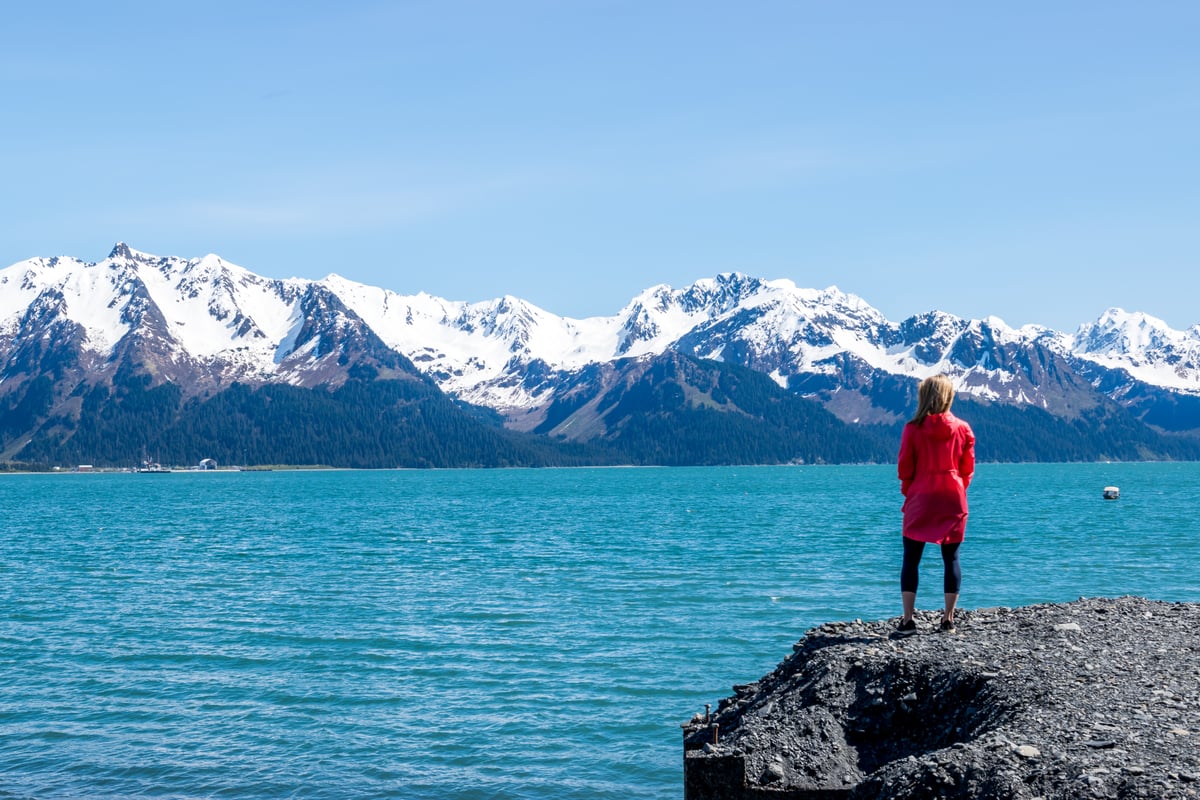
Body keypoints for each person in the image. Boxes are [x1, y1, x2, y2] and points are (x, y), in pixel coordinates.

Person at [896, 374, 975, 634]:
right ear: (948, 396)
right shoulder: (963, 428)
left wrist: (910, 491)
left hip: (921, 494)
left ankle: (908, 620)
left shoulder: (912, 428)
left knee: (911, 559)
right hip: (953, 494)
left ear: (924, 396)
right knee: (951, 557)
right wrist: (957, 488)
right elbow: (967, 468)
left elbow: (905, 467)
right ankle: (948, 619)